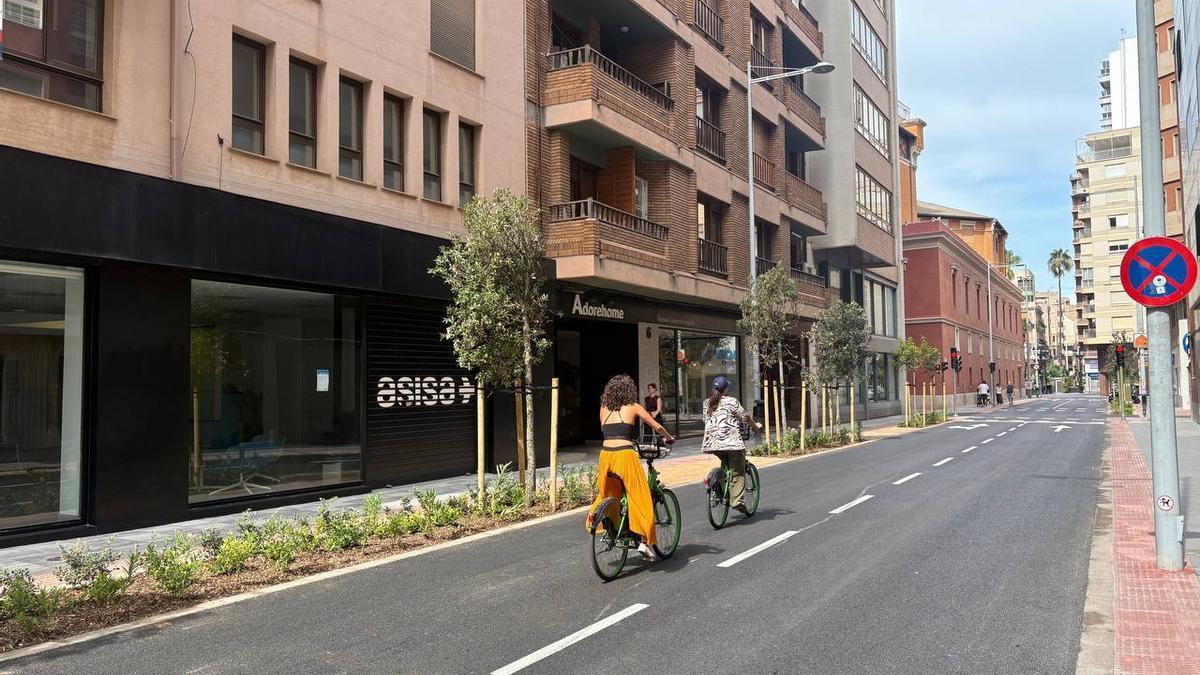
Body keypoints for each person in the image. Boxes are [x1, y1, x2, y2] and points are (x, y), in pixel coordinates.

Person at [588, 374, 674, 561]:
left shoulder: (603, 408)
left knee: (610, 494)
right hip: (624, 455)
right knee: (639, 496)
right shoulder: (634, 406)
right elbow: (656, 426)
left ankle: (609, 524)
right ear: (629, 391)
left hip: (605, 455)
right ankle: (644, 541)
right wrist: (668, 437)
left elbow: (606, 430)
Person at [701, 376, 762, 514]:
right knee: (738, 471)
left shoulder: (706, 403)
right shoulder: (732, 401)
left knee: (726, 461)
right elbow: (745, 418)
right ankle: (736, 502)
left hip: (711, 444)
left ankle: (719, 487)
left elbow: (705, 420)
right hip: (732, 443)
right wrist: (756, 426)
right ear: (726, 389)